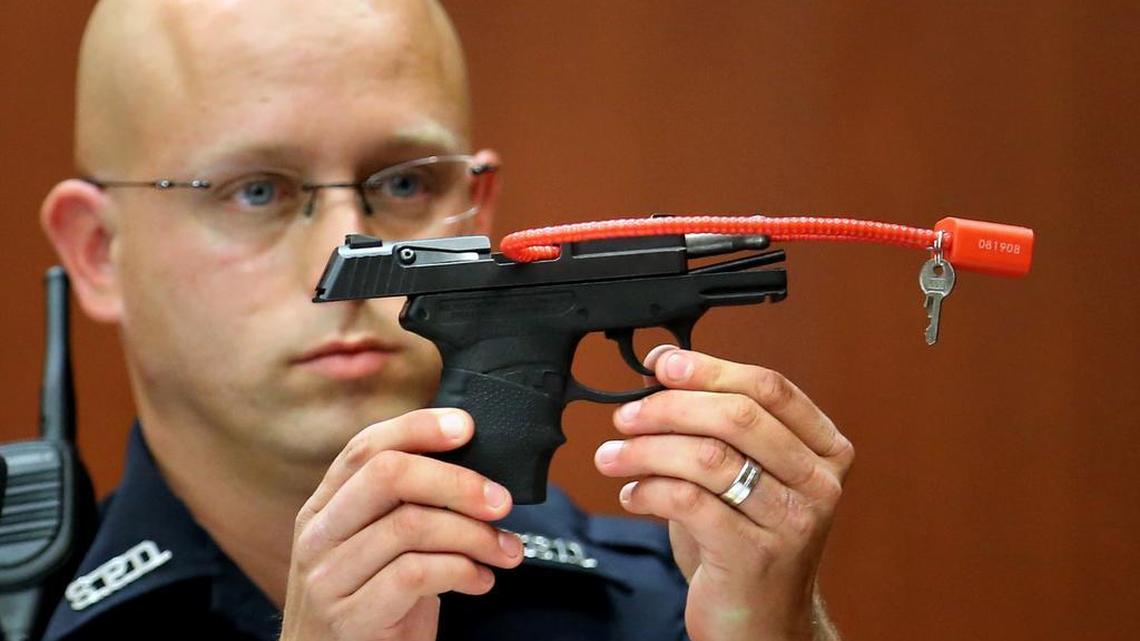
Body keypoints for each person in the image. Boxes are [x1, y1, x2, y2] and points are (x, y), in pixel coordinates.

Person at [37, 1, 854, 639]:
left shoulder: (674, 603)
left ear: (473, 208)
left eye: (403, 185)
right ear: (98, 252)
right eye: (257, 191)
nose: (342, 254)